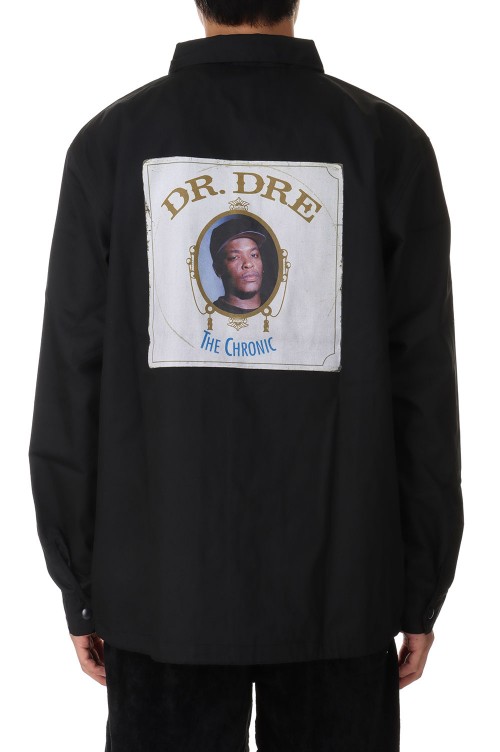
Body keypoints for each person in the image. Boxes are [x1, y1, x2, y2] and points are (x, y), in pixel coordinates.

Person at [28, 0, 464, 750]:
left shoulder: (110, 145)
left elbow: (71, 380)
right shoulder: (389, 144)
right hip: (342, 590)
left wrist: (82, 587)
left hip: (162, 592)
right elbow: (424, 387)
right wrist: (421, 587)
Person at [210, 215, 268, 314]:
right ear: (218, 269)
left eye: (254, 255)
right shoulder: (210, 316)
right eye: (234, 257)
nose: (248, 264)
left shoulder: (278, 308)